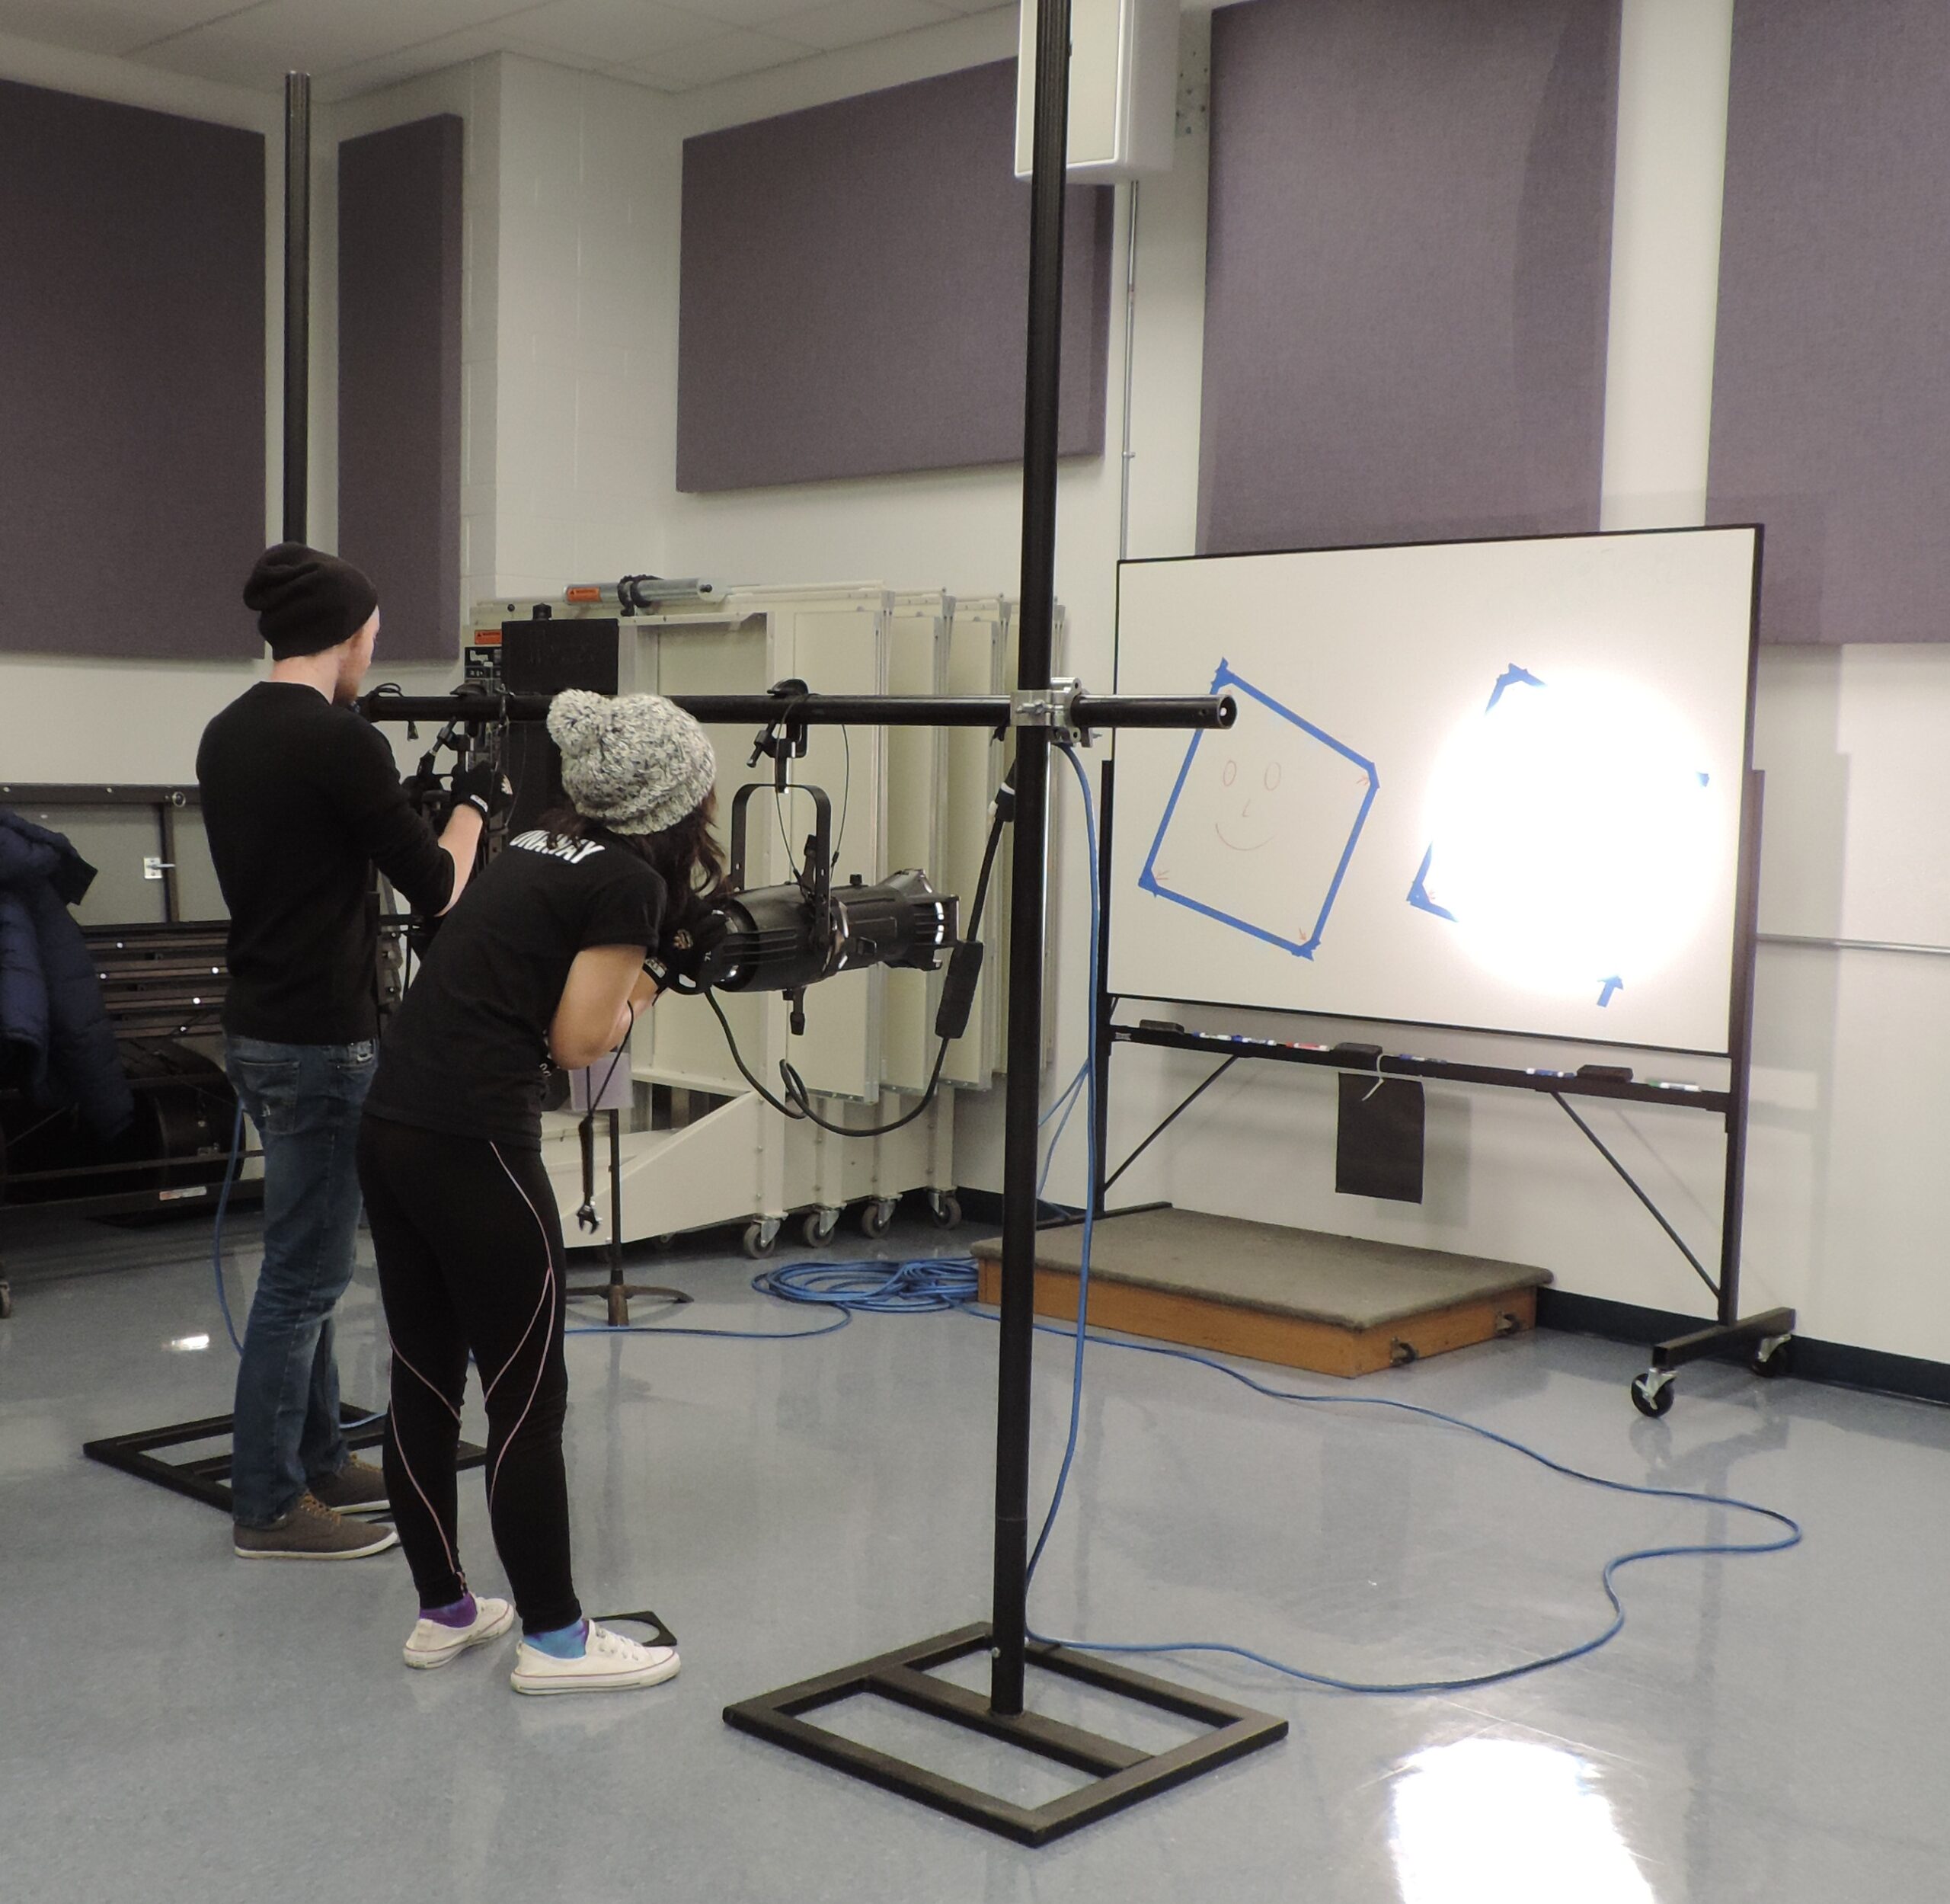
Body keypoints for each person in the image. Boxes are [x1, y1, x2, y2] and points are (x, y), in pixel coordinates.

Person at [356, 689, 723, 1692]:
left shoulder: (533, 846)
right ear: (677, 800)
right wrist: (652, 982)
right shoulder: (627, 890)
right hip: (476, 1140)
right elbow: (576, 1043)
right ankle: (556, 1640)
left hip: (393, 1124)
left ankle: (445, 1611)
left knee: (425, 1381)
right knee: (527, 1398)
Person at [197, 543, 504, 1560]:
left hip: (256, 1024)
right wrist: (474, 806)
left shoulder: (228, 734)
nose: (375, 644)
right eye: (370, 629)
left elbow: (318, 851)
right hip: (323, 1039)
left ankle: (322, 1454)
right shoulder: (340, 742)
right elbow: (438, 886)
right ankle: (270, 1504)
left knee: (312, 1264)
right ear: (345, 633)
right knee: (304, 1275)